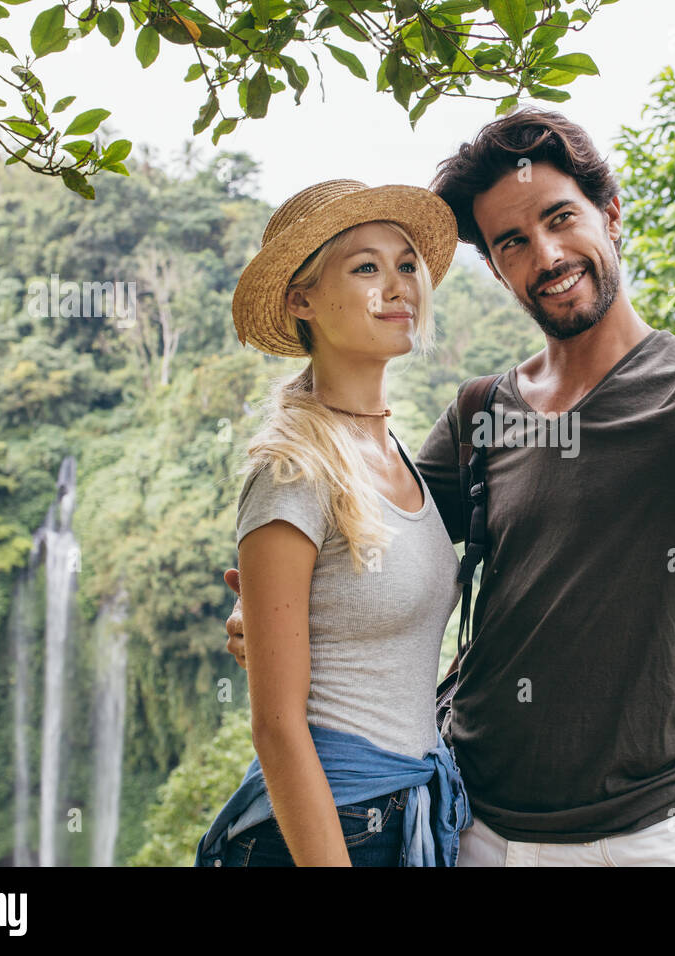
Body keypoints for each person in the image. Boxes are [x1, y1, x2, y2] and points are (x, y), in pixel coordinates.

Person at [224, 65, 675, 865]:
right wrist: (285, 614)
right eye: (513, 242)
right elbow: (374, 543)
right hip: (470, 824)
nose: (548, 253)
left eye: (562, 218)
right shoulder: (481, 412)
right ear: (496, 269)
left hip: (640, 841)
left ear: (612, 215)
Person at [195, 180, 470, 867]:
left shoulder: (398, 456)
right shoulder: (293, 469)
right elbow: (278, 727)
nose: (398, 285)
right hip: (330, 828)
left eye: (407, 265)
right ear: (302, 299)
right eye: (366, 267)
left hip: (403, 809)